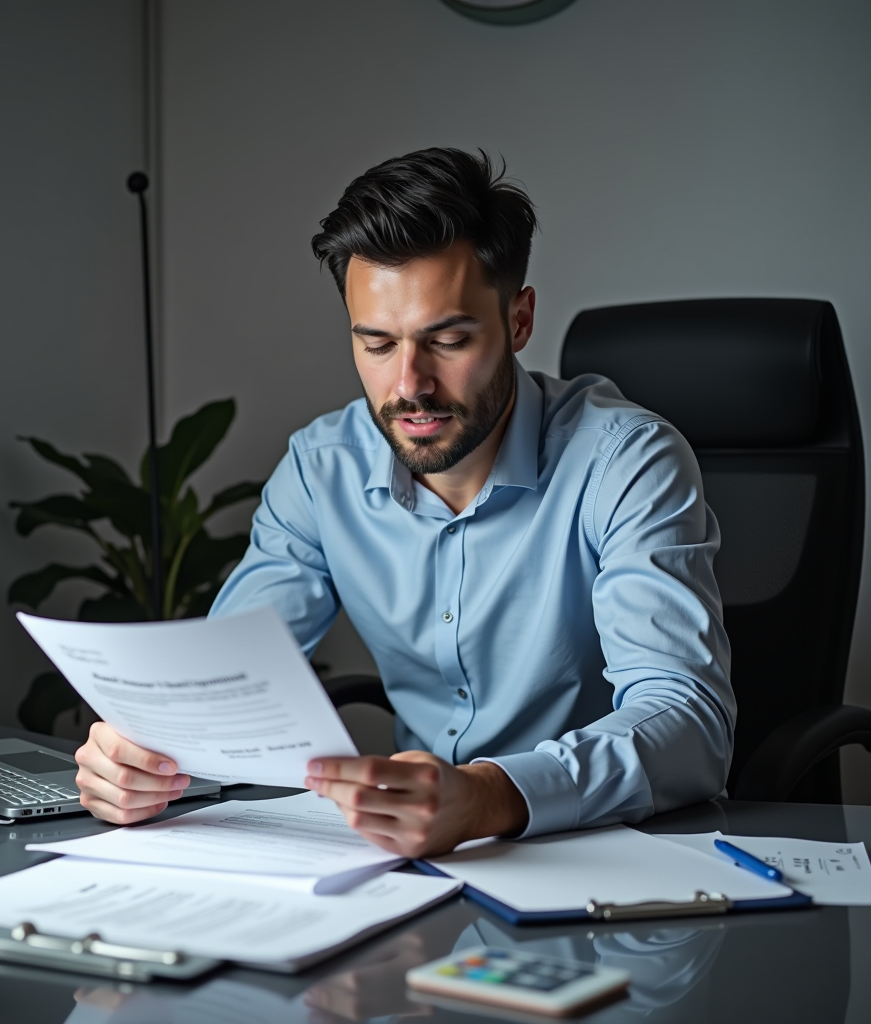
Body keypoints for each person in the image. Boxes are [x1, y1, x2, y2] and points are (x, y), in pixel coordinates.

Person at [73, 148, 735, 857]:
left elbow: (686, 721)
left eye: (447, 340)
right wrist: (140, 757)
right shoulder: (321, 469)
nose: (409, 384)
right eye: (377, 344)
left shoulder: (626, 461)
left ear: (518, 321)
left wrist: (487, 796)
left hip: (611, 855)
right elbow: (224, 684)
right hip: (417, 869)